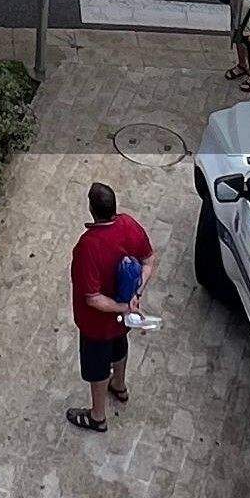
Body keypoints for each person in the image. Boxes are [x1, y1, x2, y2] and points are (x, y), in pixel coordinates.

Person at [66, 183, 154, 435]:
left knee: (97, 368)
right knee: (119, 348)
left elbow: (92, 298)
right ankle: (120, 385)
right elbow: (149, 260)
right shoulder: (128, 225)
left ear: (92, 209)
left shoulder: (87, 247)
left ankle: (97, 416)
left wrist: (124, 306)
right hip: (122, 321)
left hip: (96, 325)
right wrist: (135, 298)